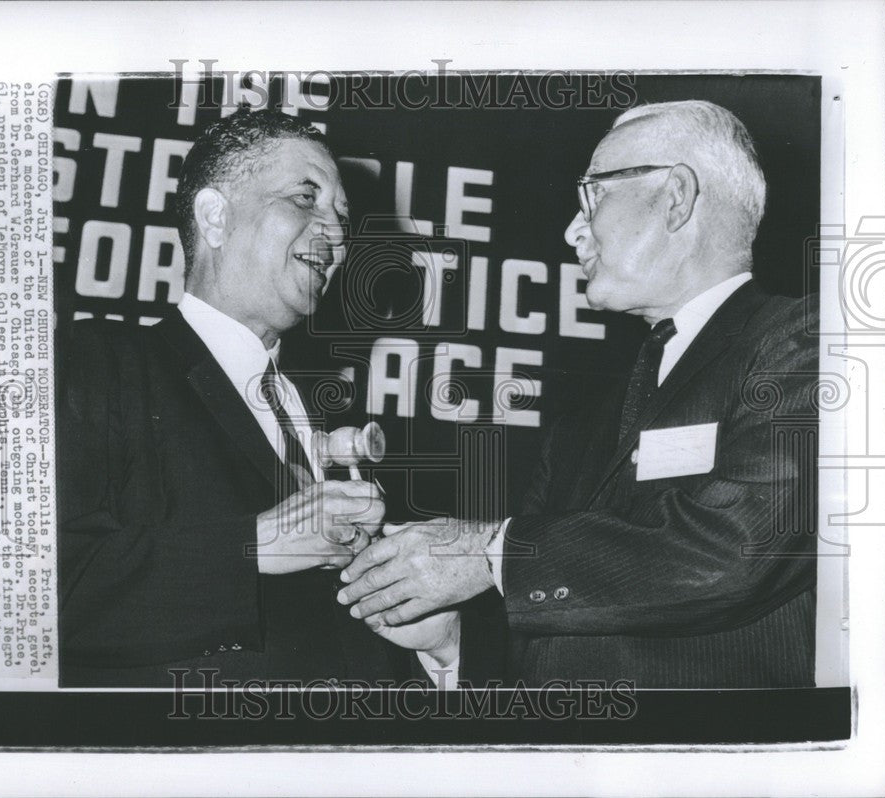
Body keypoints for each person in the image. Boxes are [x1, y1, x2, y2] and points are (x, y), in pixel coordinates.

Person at [338, 100, 819, 688]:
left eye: (594, 195)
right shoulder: (583, 422)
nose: (573, 230)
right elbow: (554, 630)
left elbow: (742, 550)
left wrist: (488, 552)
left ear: (676, 197)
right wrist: (450, 640)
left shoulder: (806, 343)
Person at [57, 110, 456, 687]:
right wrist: (251, 546)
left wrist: (442, 648)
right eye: (305, 198)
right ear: (215, 217)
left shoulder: (331, 416)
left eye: (342, 215)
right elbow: (32, 598)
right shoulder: (96, 363)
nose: (339, 234)